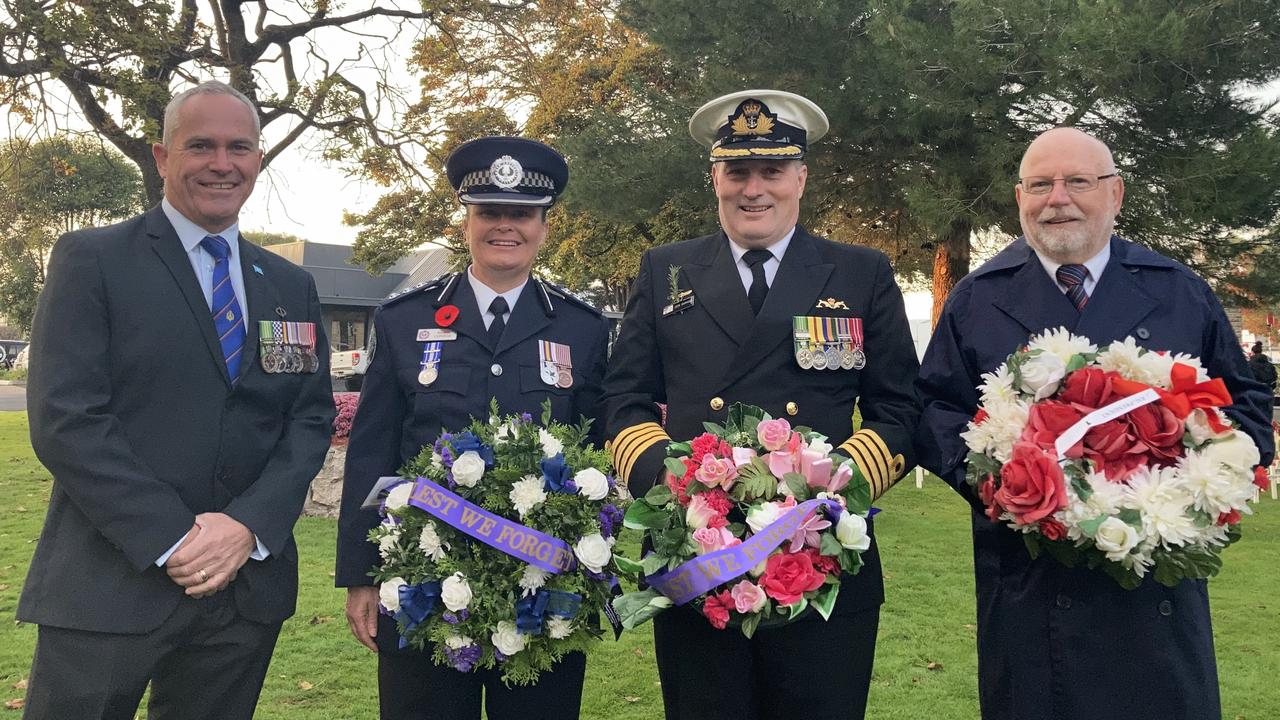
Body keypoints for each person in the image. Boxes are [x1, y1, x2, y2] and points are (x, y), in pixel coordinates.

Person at [915, 127, 1276, 720]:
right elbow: (935, 408)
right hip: (1030, 584)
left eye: (1078, 181)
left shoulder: (1179, 291)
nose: (1058, 198)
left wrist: (1203, 475)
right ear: (1019, 198)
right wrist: (999, 484)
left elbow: (1248, 401)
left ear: (1116, 195)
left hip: (1154, 589)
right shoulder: (978, 299)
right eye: (1040, 185)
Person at [20, 80, 335, 719]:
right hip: (111, 583)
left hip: (244, 592)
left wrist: (247, 526)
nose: (222, 163)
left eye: (239, 147)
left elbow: (307, 418)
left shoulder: (287, 285)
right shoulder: (94, 260)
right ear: (163, 157)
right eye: (201, 146)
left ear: (258, 158)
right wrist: (175, 538)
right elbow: (66, 418)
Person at [601, 90, 921, 720]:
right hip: (699, 560)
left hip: (826, 559)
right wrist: (675, 489)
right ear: (714, 178)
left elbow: (900, 409)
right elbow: (623, 399)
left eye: (771, 171)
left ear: (801, 177)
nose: (754, 189)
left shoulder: (860, 273)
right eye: (737, 172)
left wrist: (825, 491)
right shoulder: (666, 270)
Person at [336, 136, 611, 720]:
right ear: (466, 219)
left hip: (546, 583)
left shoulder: (583, 329)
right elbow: (372, 451)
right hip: (422, 581)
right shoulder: (404, 319)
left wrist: (597, 565)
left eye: (522, 214)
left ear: (543, 225)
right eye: (490, 212)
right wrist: (360, 575)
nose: (505, 226)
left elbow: (599, 457)